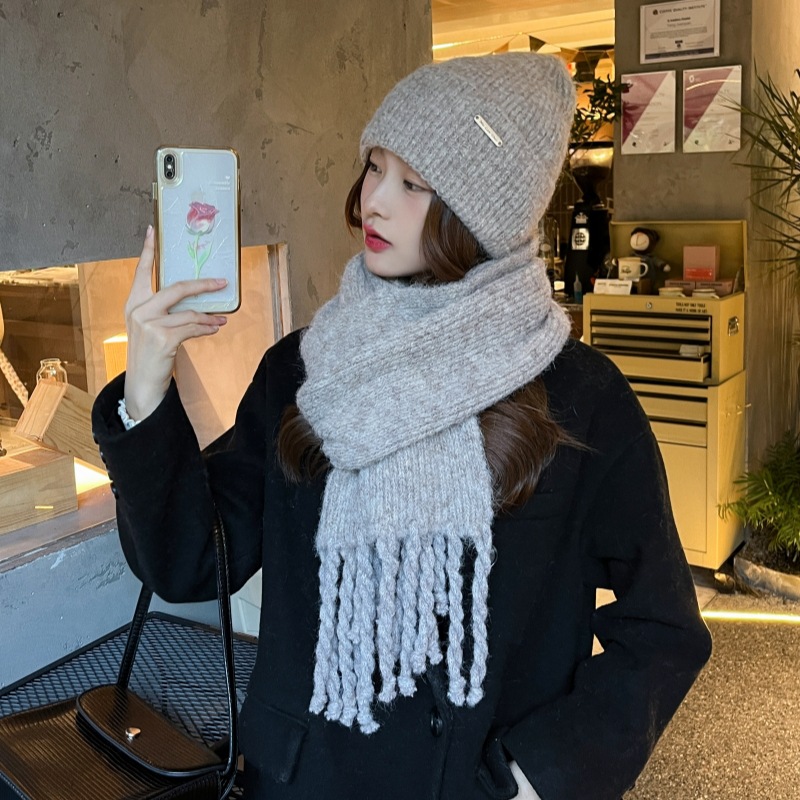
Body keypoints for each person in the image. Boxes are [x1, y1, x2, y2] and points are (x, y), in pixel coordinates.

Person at [92, 53, 712, 800]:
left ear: (481, 212)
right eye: (375, 167)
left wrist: (532, 778)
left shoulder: (579, 396)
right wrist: (147, 387)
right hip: (303, 781)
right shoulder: (303, 368)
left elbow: (662, 629)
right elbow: (192, 562)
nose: (373, 202)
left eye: (414, 184)